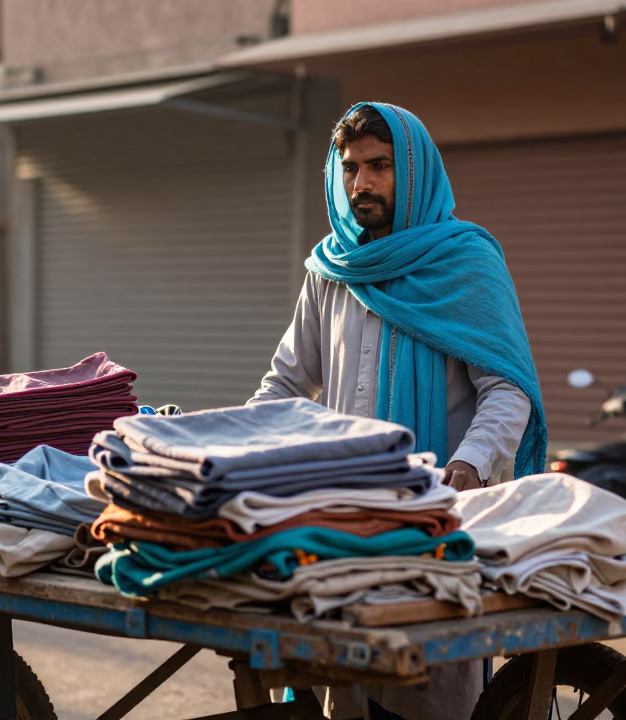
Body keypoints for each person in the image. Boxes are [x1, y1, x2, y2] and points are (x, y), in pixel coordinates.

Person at [249, 104, 548, 719]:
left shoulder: (465, 262)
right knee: (339, 694)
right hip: (341, 531)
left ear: (413, 172)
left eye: (379, 166)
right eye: (351, 168)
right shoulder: (330, 270)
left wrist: (468, 467)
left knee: (431, 698)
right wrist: (220, 446)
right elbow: (284, 384)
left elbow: (508, 390)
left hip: (432, 525)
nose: (361, 183)